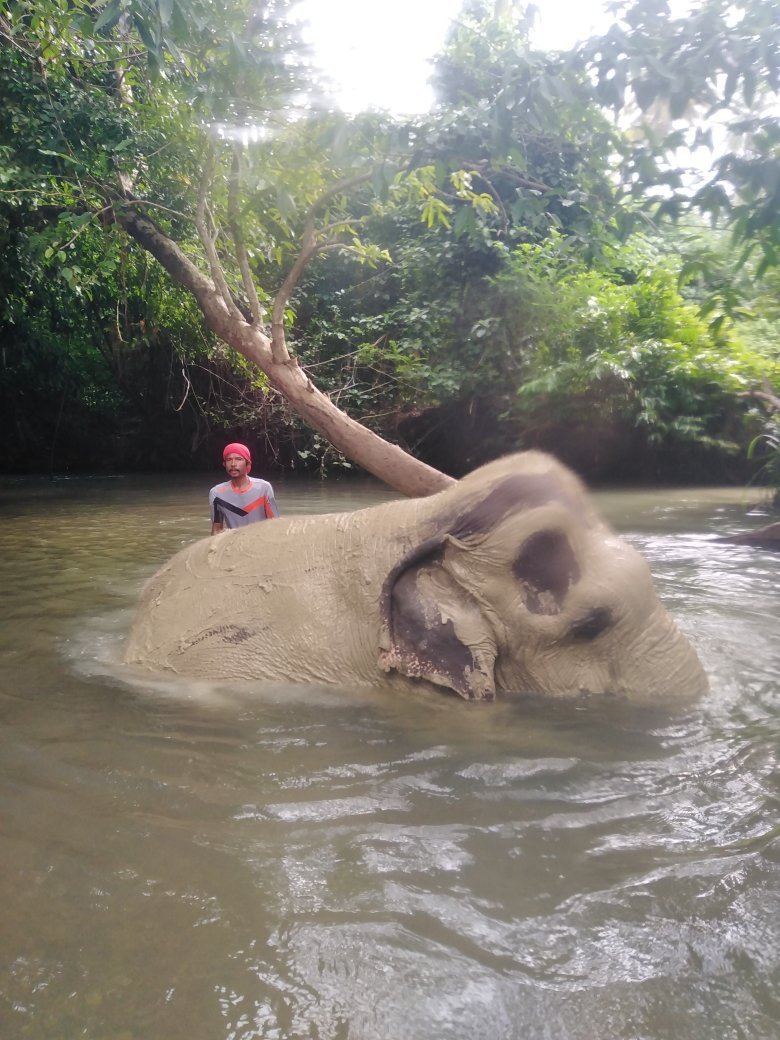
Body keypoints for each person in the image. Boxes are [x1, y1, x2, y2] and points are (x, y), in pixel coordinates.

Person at [209, 442, 279, 535]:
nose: (233, 464)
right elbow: (217, 529)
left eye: (239, 459)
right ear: (224, 464)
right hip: (234, 543)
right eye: (229, 460)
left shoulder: (264, 488)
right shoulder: (217, 493)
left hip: (262, 541)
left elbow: (275, 523)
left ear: (248, 463)